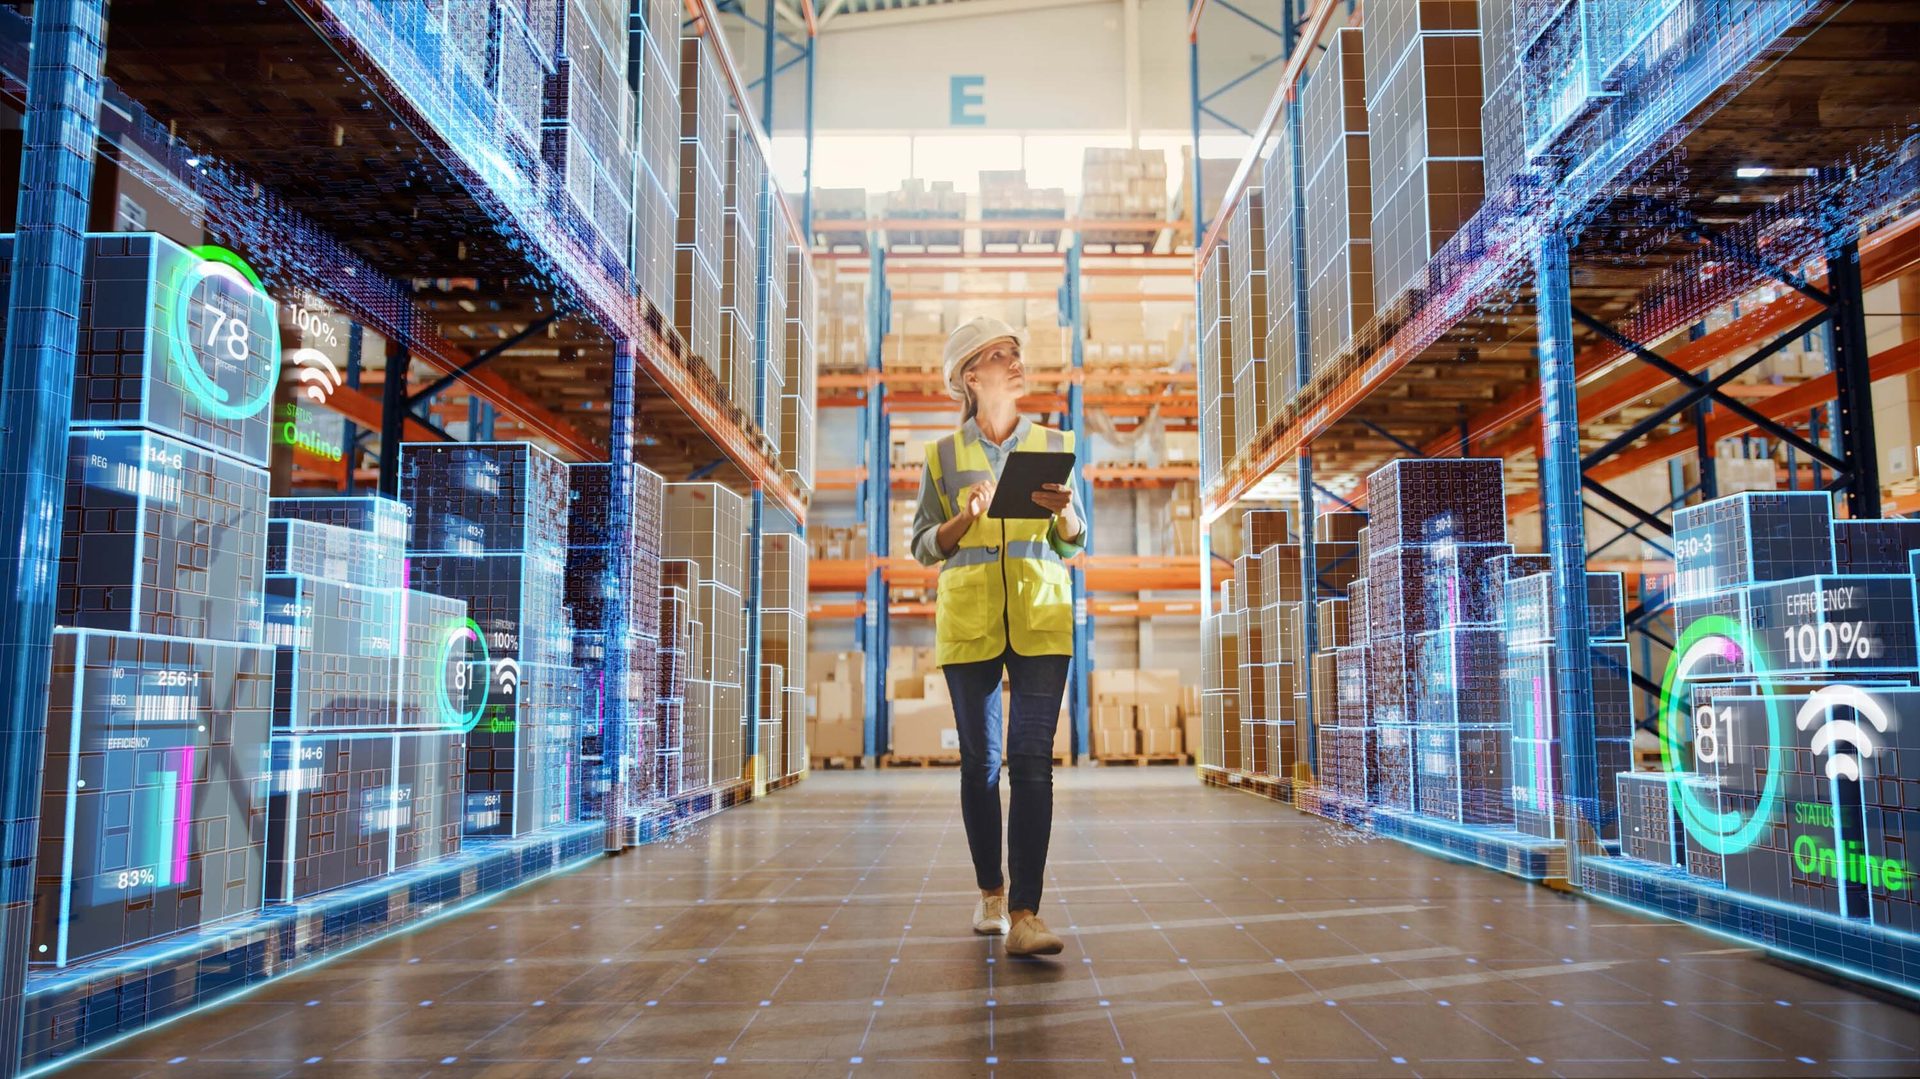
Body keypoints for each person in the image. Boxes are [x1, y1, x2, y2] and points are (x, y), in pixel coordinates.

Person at [909, 316, 1085, 958]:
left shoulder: (1055, 441)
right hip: (971, 622)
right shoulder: (943, 456)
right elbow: (924, 545)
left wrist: (1064, 510)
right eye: (997, 355)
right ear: (969, 376)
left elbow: (1074, 537)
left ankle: (1027, 913)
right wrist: (963, 518)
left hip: (1040, 618)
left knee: (1032, 764)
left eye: (1015, 352)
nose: (1014, 362)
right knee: (982, 765)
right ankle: (991, 893)